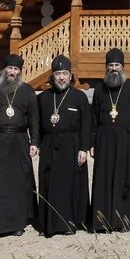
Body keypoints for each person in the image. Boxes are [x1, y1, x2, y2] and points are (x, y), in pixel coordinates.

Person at [0, 54, 39, 236]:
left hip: (19, 141)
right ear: (3, 70)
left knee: (17, 182)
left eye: (16, 69)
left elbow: (34, 118)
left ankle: (17, 223)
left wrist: (34, 141)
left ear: (20, 71)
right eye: (9, 69)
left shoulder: (27, 90)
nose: (12, 72)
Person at [34, 55, 92, 237]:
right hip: (49, 145)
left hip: (71, 146)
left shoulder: (79, 97)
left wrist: (84, 148)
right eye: (58, 73)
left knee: (69, 186)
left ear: (70, 75)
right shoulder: (43, 97)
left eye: (65, 73)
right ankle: (48, 223)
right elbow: (37, 124)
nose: (61, 77)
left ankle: (69, 223)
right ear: (53, 76)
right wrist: (36, 143)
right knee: (48, 183)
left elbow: (86, 126)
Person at [89, 47, 130, 232]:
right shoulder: (99, 89)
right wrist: (92, 143)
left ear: (123, 66)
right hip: (103, 141)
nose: (113, 69)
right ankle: (102, 222)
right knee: (103, 179)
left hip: (125, 140)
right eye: (110, 65)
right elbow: (93, 119)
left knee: (124, 179)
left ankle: (124, 221)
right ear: (106, 67)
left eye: (117, 65)